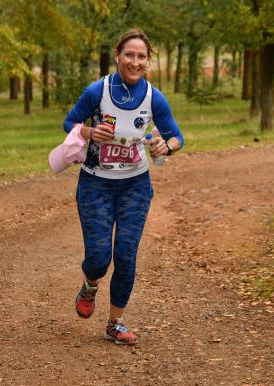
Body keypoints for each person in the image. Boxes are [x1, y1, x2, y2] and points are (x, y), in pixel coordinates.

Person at [63, 28, 184, 346]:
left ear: (148, 60)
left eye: (141, 56)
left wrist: (165, 148)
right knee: (99, 258)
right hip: (95, 184)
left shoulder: (153, 97)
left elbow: (176, 136)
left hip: (136, 185)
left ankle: (115, 323)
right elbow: (68, 123)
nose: (135, 61)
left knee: (127, 255)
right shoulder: (97, 91)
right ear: (118, 56)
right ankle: (90, 283)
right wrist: (89, 133)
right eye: (129, 54)